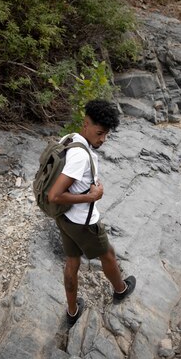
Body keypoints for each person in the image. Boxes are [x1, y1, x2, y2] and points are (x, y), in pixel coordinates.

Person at [47, 100, 136, 326]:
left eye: (106, 134)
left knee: (72, 262)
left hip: (64, 218)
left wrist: (90, 183)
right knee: (108, 255)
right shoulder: (81, 156)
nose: (103, 139)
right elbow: (54, 195)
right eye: (99, 133)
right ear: (86, 124)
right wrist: (91, 196)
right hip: (82, 221)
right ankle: (120, 290)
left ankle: (72, 311)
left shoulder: (69, 140)